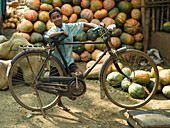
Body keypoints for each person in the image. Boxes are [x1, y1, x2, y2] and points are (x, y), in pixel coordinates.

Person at [45, 8, 99, 111]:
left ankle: (71, 90)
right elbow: (49, 35)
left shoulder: (69, 27)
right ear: (51, 21)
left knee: (80, 74)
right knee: (57, 85)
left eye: (58, 16)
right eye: (54, 18)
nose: (57, 19)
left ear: (62, 17)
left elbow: (83, 25)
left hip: (69, 61)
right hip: (56, 63)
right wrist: (61, 33)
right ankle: (59, 103)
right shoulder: (52, 30)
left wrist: (96, 26)